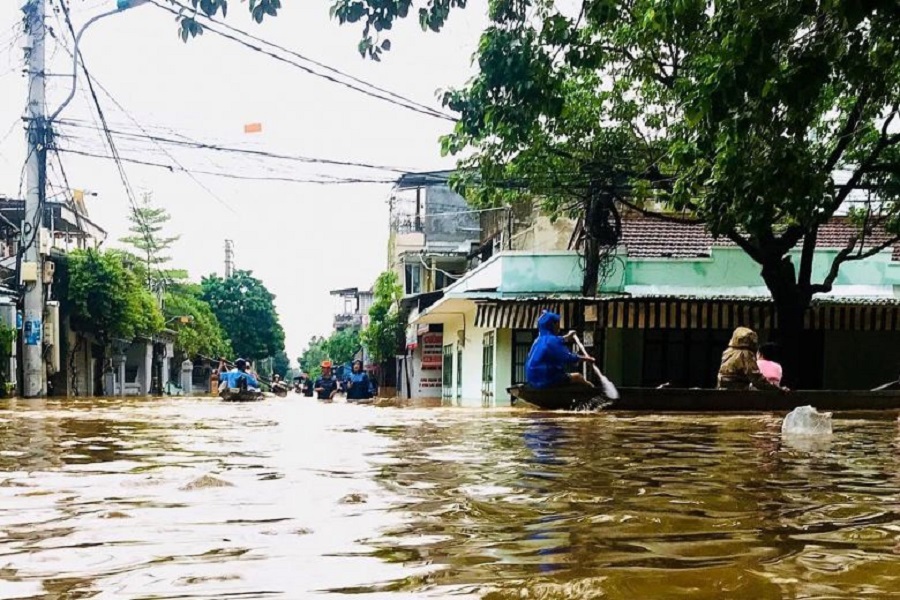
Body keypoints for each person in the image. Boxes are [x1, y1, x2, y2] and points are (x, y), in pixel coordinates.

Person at [525, 311, 595, 389]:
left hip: (532, 379)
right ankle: (592, 391)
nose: (559, 326)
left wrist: (568, 336)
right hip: (545, 379)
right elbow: (568, 358)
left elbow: (557, 340)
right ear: (553, 325)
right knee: (578, 377)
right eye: (558, 323)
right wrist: (587, 359)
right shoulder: (552, 341)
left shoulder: (539, 339)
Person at [717, 327, 784, 391]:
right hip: (738, 392)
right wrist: (776, 389)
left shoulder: (727, 352)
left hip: (723, 389)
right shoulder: (745, 354)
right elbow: (756, 378)